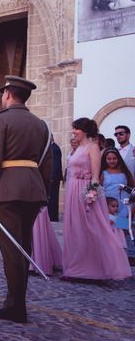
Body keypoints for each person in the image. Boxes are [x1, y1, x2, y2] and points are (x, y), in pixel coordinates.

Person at [0, 76, 52, 323]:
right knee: (23, 247)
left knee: (11, 251)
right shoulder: (41, 125)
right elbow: (47, 163)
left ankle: (15, 306)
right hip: (33, 189)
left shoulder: (0, 119)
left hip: (7, 191)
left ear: (8, 93)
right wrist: (44, 195)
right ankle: (16, 301)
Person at [62, 118, 131, 281]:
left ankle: (94, 268)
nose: (73, 132)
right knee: (75, 229)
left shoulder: (92, 147)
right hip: (73, 190)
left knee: (91, 228)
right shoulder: (78, 148)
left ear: (85, 130)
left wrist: (91, 194)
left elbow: (95, 174)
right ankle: (75, 266)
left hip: (85, 191)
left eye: (76, 129)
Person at [100, 148, 135, 266]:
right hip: (108, 205)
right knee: (110, 230)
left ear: (118, 159)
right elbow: (99, 189)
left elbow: (132, 189)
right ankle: (110, 254)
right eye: (109, 159)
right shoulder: (103, 173)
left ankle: (130, 255)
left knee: (124, 229)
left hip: (123, 206)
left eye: (114, 158)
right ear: (105, 160)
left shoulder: (125, 172)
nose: (112, 161)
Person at [47, 138, 63, 222]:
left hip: (54, 178)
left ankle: (53, 217)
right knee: (51, 198)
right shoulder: (51, 148)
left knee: (53, 198)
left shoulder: (55, 148)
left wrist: (52, 177)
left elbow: (55, 164)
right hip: (52, 178)